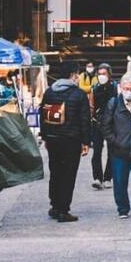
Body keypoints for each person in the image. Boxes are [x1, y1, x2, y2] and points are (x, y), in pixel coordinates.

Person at [40, 61, 91, 222]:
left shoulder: (49, 92)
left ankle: (55, 206)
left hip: (53, 139)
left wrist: (45, 137)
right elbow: (84, 120)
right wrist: (86, 142)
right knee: (68, 175)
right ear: (73, 75)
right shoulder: (79, 94)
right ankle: (63, 209)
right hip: (71, 140)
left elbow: (43, 116)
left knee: (55, 173)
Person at [101, 72, 131, 219]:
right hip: (119, 150)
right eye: (127, 88)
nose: (129, 91)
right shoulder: (113, 103)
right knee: (120, 181)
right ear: (121, 88)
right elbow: (105, 125)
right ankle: (123, 208)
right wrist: (113, 140)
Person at [90, 63, 116, 189]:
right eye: (99, 74)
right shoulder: (94, 88)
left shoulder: (115, 87)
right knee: (97, 152)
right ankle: (97, 177)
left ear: (109, 74)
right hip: (97, 122)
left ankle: (108, 178)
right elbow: (91, 106)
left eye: (104, 74)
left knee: (111, 152)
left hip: (112, 123)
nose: (101, 76)